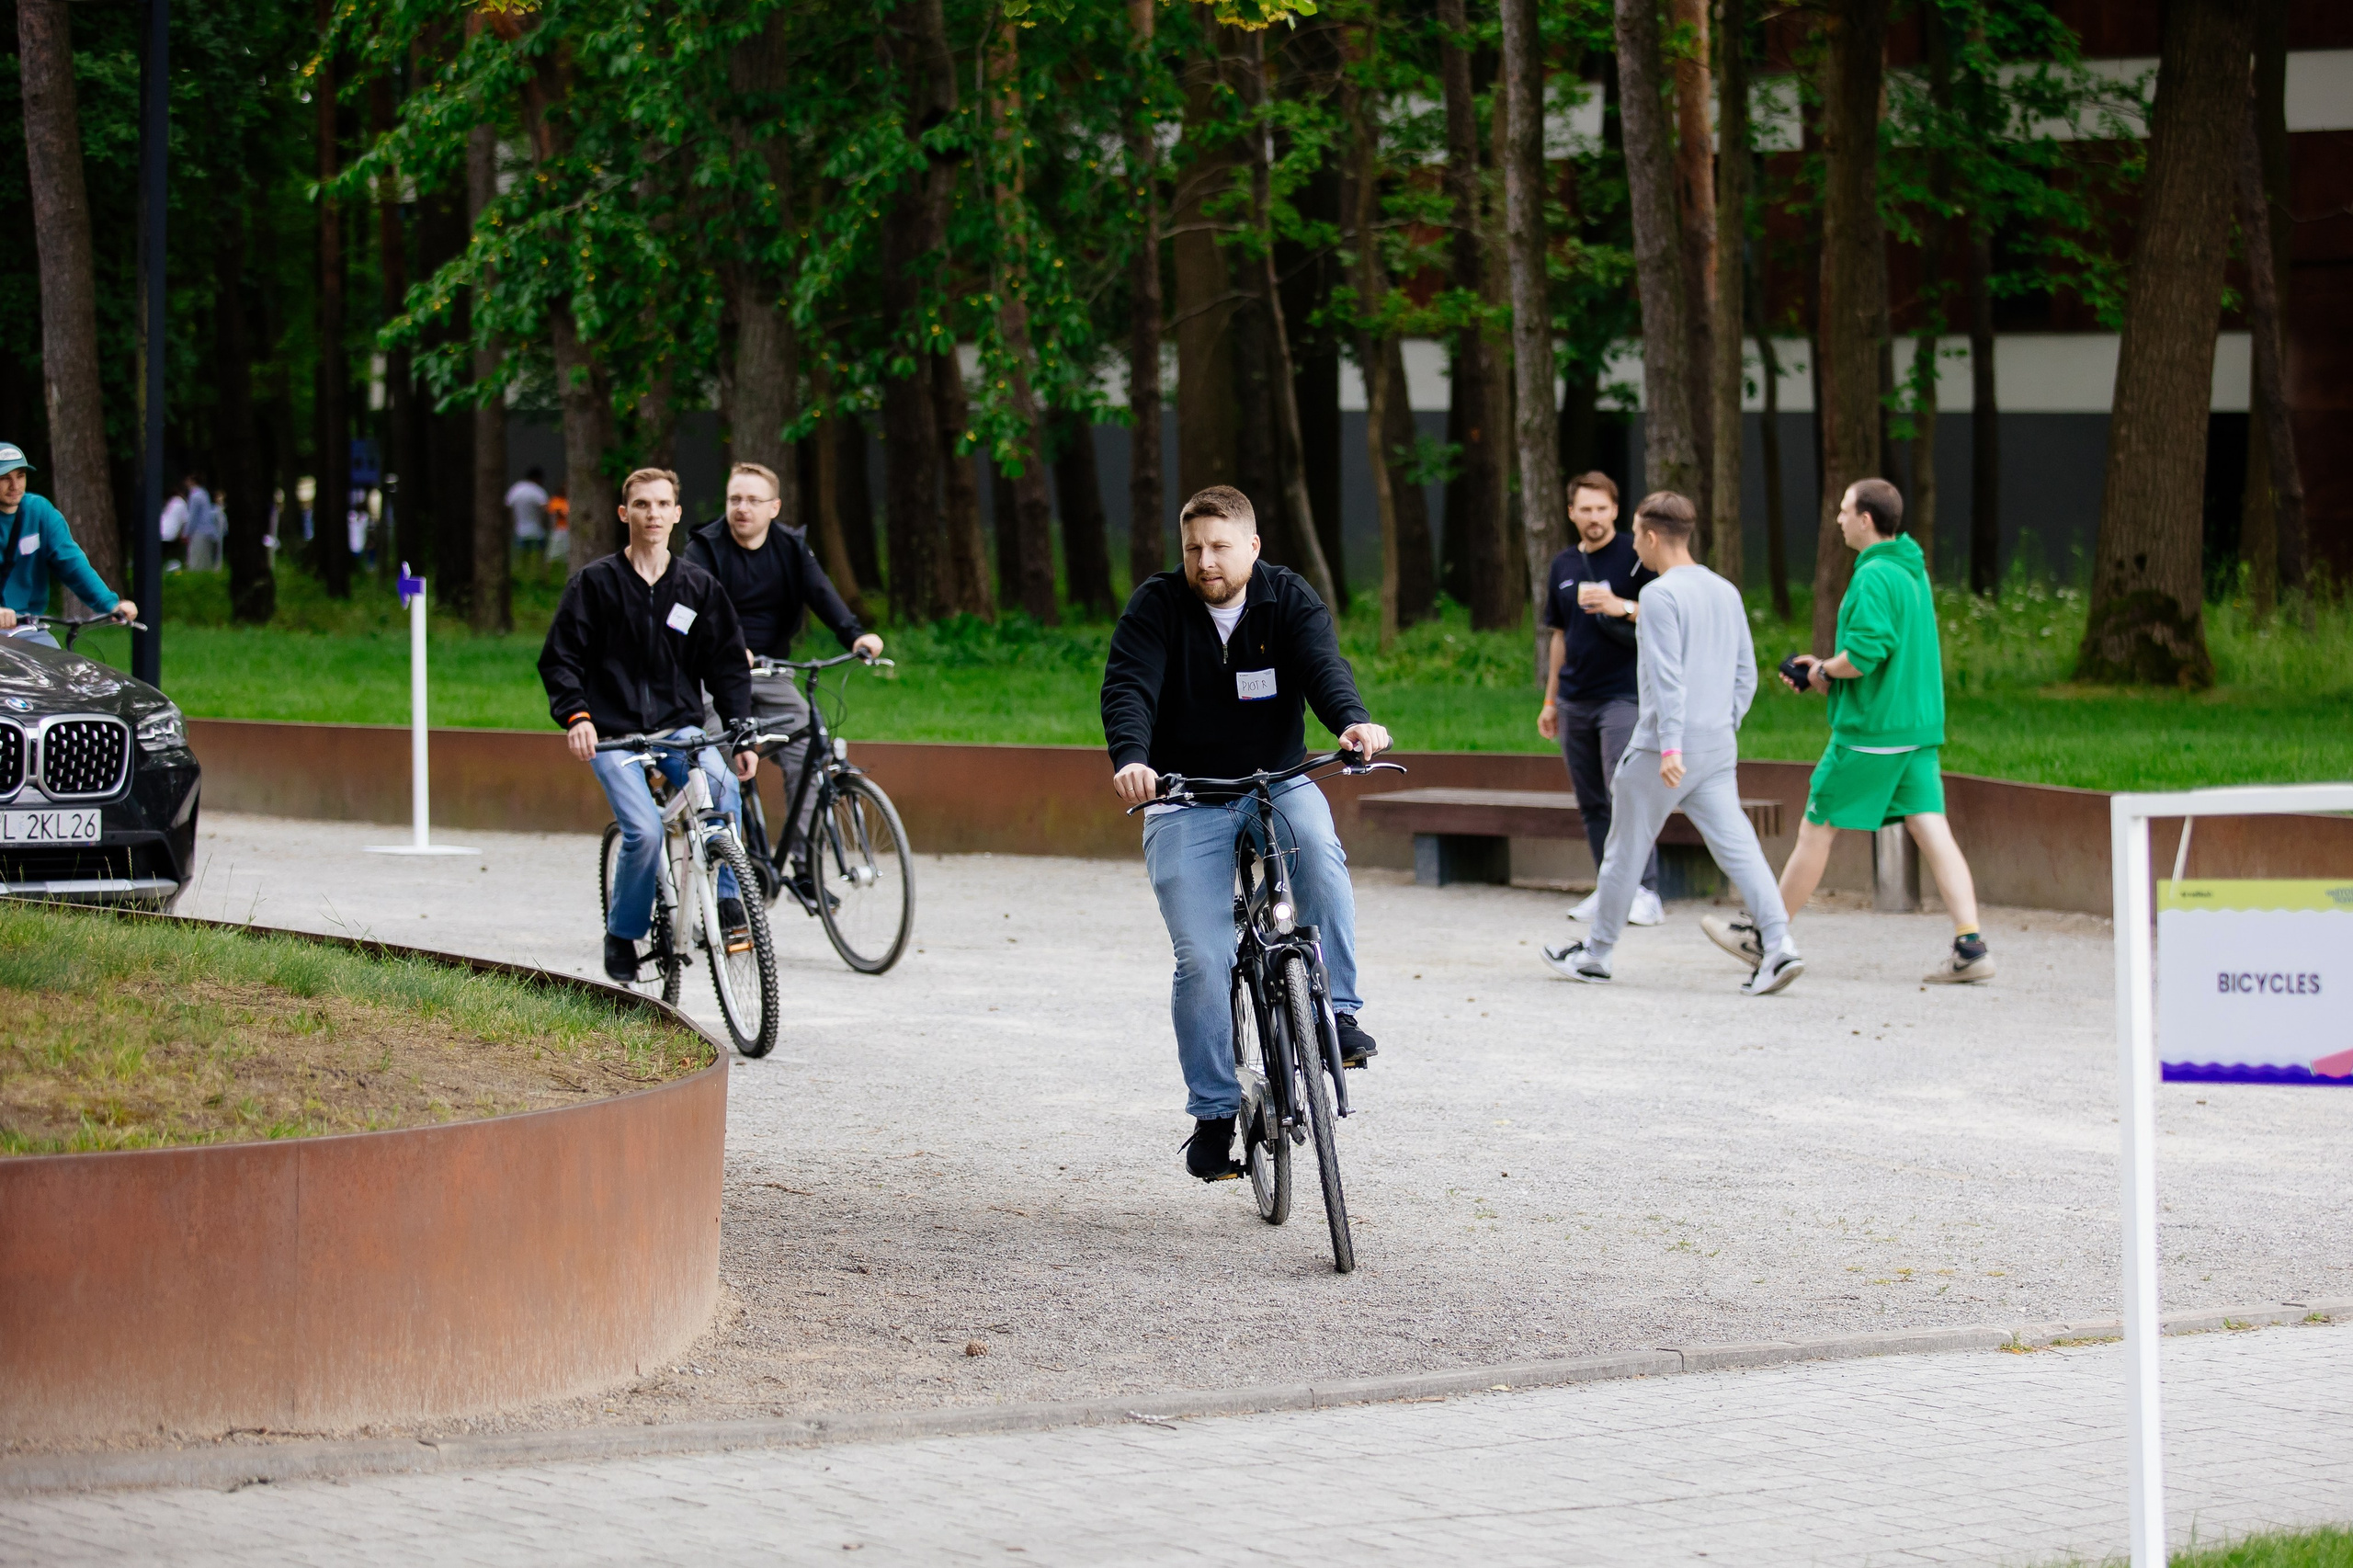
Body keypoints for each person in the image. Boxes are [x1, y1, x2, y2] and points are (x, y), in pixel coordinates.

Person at [1102, 484, 1393, 1182]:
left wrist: (1351, 721)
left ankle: (1340, 1013)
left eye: (1220, 546)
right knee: (1201, 958)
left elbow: (1324, 667)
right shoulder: (1157, 605)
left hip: (1276, 782)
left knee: (1320, 855)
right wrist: (1133, 760)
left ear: (1253, 547)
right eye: (1194, 548)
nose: (1206, 561)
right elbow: (1129, 686)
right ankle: (1212, 1113)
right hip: (1183, 796)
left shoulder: (1286, 598)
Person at [1702, 478, 1994, 984]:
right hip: (1917, 727)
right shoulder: (1910, 571)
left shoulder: (1875, 576)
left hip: (1871, 733)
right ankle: (1971, 945)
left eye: (1843, 511)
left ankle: (1765, 937)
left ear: (1865, 520)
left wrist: (1823, 672)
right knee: (1930, 828)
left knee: (1818, 826)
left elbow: (1864, 655)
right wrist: (1825, 669)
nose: (1837, 520)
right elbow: (1885, 653)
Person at [1542, 491, 1802, 996]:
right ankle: (1780, 945)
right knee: (1740, 846)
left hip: (1664, 748)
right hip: (1716, 744)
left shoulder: (1660, 595)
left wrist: (1671, 748)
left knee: (1622, 850)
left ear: (1653, 536)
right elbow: (1745, 673)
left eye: (1637, 534)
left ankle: (1596, 955)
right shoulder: (1725, 589)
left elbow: (1666, 679)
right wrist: (1722, 725)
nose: (1633, 545)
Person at [539, 467, 759, 984]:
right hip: (613, 735)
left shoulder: (698, 587)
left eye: (663, 505)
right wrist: (576, 715)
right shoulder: (594, 584)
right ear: (625, 514)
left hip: (680, 730)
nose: (653, 514)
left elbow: (727, 665)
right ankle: (623, 933)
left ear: (677, 514)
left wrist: (740, 732)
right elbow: (561, 659)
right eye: (642, 505)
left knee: (725, 792)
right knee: (643, 833)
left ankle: (728, 907)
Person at [683, 461, 882, 901]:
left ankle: (804, 866)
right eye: (735, 499)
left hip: (770, 671)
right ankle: (728, 878)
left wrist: (855, 635)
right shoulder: (704, 548)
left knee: (812, 748)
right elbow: (693, 607)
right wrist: (727, 645)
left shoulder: (792, 548)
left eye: (753, 500)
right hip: (713, 672)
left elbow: (823, 595)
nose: (742, 508)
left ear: (774, 507)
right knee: (717, 761)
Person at [1537, 472, 1664, 927]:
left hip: (1624, 696)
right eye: (1585, 509)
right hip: (1574, 698)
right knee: (1591, 799)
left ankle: (1646, 890)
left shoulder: (1638, 556)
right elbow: (1559, 634)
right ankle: (1611, 887)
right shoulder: (1564, 565)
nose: (1594, 518)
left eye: (1602, 508)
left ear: (1615, 510)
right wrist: (1551, 701)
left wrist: (1622, 607)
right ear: (1572, 513)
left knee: (1624, 791)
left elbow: (1671, 613)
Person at [0, 442, 137, 645]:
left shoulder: (40, 512)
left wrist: (110, 604)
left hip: (27, 628)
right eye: (5, 479)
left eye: (20, 476)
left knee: (57, 668)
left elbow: (72, 563)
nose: (15, 486)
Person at [506, 467, 551, 554]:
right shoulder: (538, 491)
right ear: (537, 478)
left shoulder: (516, 489)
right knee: (536, 559)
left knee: (520, 559)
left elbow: (508, 507)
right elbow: (546, 509)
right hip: (537, 532)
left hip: (519, 531)